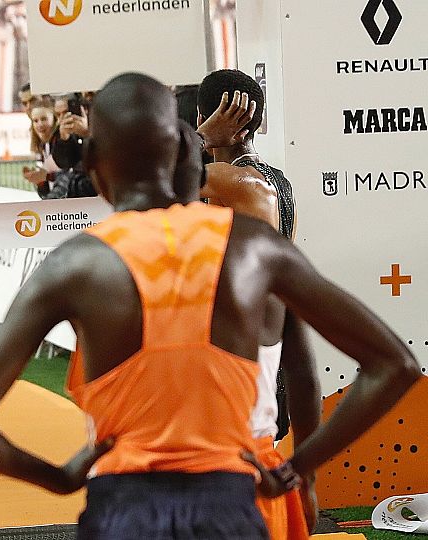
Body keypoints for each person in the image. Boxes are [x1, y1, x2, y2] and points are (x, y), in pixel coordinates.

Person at [0, 72, 420, 539]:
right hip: (230, 504)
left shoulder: (74, 264)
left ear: (91, 163)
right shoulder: (252, 246)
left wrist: (59, 478)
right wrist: (298, 469)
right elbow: (393, 363)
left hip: (122, 507)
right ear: (183, 153)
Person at [197, 69, 317, 538]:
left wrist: (199, 137)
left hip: (233, 362)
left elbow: (144, 182)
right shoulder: (278, 181)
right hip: (273, 346)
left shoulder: (225, 181)